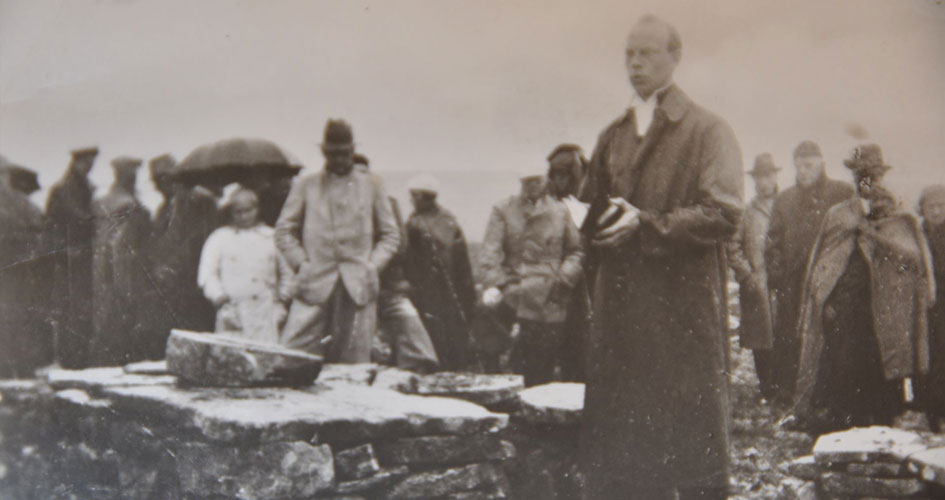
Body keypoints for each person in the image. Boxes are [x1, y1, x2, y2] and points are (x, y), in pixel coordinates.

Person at [578, 16, 743, 500]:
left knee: (692, 459)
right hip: (623, 319)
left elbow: (724, 213)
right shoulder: (613, 135)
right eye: (629, 53)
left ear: (675, 57)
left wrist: (644, 224)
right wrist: (593, 226)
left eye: (647, 52)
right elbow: (591, 211)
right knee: (625, 463)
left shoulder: (709, 131)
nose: (635, 62)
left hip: (682, 316)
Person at [790, 144, 934, 434]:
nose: (867, 181)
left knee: (881, 370)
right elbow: (824, 264)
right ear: (854, 178)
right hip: (847, 310)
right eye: (860, 176)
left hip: (883, 313)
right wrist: (826, 300)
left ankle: (880, 427)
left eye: (871, 175)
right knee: (844, 368)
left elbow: (913, 261)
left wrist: (875, 232)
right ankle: (843, 426)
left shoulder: (897, 217)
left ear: (880, 176)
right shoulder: (840, 214)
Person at [275, 120, 400, 363]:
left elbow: (390, 235)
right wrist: (301, 264)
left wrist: (373, 266)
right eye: (333, 154)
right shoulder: (306, 185)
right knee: (289, 355)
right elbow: (283, 230)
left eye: (345, 153)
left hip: (358, 285)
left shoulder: (373, 185)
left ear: (353, 150)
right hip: (314, 282)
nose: (340, 160)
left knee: (354, 361)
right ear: (324, 152)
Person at [476, 168, 584, 386]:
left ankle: (538, 396)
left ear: (545, 181)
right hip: (513, 284)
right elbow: (490, 250)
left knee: (541, 360)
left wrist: (564, 278)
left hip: (551, 290)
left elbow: (576, 251)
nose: (532, 186)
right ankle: (496, 389)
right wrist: (494, 284)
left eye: (536, 181)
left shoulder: (561, 211)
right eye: (527, 182)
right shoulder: (503, 209)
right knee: (486, 325)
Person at [765, 140, 854, 404]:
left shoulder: (841, 193)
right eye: (799, 166)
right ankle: (788, 390)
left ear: (821, 164)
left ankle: (826, 391)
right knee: (789, 332)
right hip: (792, 282)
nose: (803, 171)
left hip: (829, 279)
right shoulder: (785, 199)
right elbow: (772, 241)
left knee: (829, 332)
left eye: (809, 165)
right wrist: (776, 273)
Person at [353, 154, 439, 373]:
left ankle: (419, 366)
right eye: (356, 174)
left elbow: (399, 245)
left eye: (365, 173)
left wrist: (375, 264)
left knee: (406, 318)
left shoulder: (387, 203)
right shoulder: (337, 205)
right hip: (350, 281)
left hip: (387, 280)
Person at [404, 174, 478, 371]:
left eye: (412, 196)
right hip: (450, 294)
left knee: (437, 342)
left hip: (431, 294)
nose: (410, 200)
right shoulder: (449, 220)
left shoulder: (415, 223)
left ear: (420, 197)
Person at [198, 187, 290, 343]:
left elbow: (288, 274)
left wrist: (281, 301)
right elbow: (207, 275)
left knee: (265, 359)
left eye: (248, 210)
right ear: (231, 212)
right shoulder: (220, 238)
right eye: (238, 212)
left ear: (257, 209)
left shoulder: (271, 236)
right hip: (232, 311)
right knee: (231, 359)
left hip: (265, 312)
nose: (243, 216)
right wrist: (221, 300)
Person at [148, 155, 220, 341]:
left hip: (193, 280)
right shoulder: (164, 207)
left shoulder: (200, 200)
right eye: (156, 180)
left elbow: (204, 239)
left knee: (197, 333)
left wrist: (174, 266)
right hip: (172, 285)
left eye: (164, 178)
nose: (159, 185)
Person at [89, 156, 153, 366]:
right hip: (122, 271)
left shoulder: (100, 202)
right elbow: (122, 247)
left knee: (105, 321)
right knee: (122, 320)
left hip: (99, 269)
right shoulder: (130, 204)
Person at [728, 153, 780, 399]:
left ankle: (784, 388)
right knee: (761, 338)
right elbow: (732, 246)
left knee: (785, 332)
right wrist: (747, 276)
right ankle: (767, 387)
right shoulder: (746, 212)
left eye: (768, 175)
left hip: (782, 283)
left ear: (775, 177)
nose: (763, 181)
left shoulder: (786, 206)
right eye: (759, 176)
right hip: (757, 283)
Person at [46, 146, 99, 369]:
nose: (90, 167)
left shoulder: (82, 186)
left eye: (92, 162)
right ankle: (72, 361)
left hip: (78, 257)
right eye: (87, 162)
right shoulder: (66, 188)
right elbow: (78, 218)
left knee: (80, 309)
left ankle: (77, 359)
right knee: (73, 310)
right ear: (77, 162)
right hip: (69, 258)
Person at [545, 144, 591, 381]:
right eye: (555, 175)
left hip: (578, 282)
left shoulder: (581, 204)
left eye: (563, 175)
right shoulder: (555, 203)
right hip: (561, 280)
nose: (558, 180)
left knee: (576, 337)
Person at [0, 160, 50, 377]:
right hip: (21, 274)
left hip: (17, 275)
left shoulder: (21, 206)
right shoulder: (24, 206)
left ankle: (16, 370)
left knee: (16, 322)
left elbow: (41, 237)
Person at [918, 184, 945, 431]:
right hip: (924, 308)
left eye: (941, 206)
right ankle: (930, 414)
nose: (936, 211)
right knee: (926, 359)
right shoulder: (918, 234)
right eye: (931, 207)